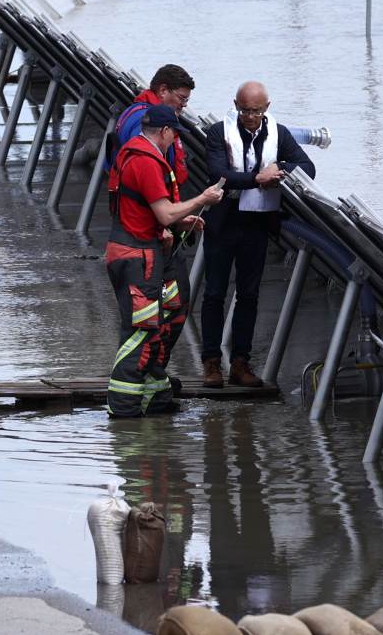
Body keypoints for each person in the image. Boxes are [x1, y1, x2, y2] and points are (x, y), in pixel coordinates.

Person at [105, 104, 224, 417]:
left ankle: (157, 397)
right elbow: (164, 212)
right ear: (165, 132)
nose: (176, 142)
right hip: (137, 257)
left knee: (164, 321)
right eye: (175, 135)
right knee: (141, 330)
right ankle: (124, 409)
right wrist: (202, 200)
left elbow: (149, 211)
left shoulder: (136, 152)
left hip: (142, 251)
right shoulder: (145, 162)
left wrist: (181, 222)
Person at [200, 81, 316, 388]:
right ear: (235, 105)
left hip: (257, 223)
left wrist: (279, 170)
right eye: (244, 110)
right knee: (214, 292)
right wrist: (256, 178)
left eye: (256, 111)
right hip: (223, 221)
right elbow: (218, 175)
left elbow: (308, 167)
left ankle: (240, 363)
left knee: (249, 295)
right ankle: (211, 363)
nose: (250, 116)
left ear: (266, 108)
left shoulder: (278, 132)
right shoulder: (217, 132)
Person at [108, 65, 200, 370]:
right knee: (144, 323)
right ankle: (130, 398)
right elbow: (147, 189)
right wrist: (192, 206)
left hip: (154, 236)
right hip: (147, 242)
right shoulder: (144, 137)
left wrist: (176, 220)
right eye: (180, 99)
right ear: (162, 91)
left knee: (170, 306)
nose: (183, 107)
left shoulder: (146, 121)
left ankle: (153, 379)